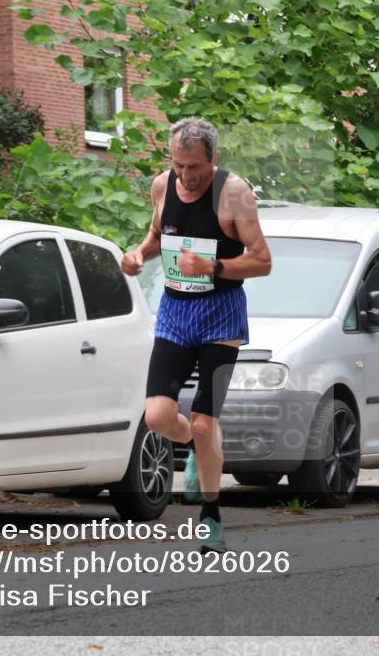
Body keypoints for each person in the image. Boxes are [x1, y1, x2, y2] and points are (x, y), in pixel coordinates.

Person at [120, 117, 271, 553]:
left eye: (195, 168)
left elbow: (262, 260)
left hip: (221, 318)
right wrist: (137, 256)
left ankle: (210, 514)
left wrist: (213, 267)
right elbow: (155, 237)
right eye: (179, 165)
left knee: (207, 424)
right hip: (174, 312)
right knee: (158, 418)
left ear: (214, 159)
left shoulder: (235, 194)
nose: (186, 176)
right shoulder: (162, 185)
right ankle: (191, 445)